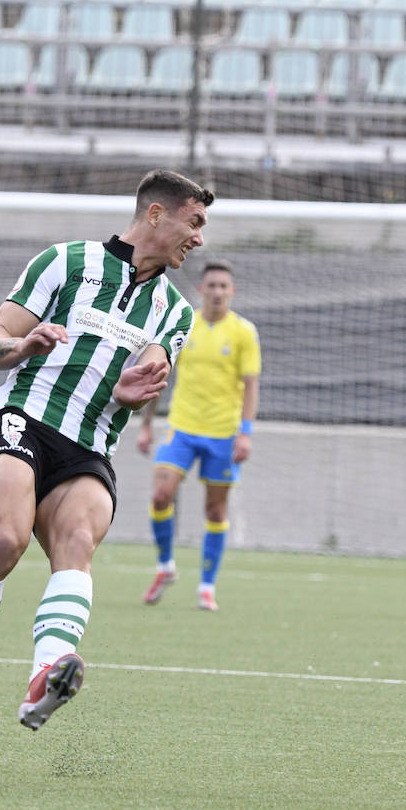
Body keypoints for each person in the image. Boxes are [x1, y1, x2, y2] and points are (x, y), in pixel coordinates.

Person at [0, 168, 212, 760]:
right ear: (155, 214)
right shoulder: (65, 262)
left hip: (91, 444)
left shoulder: (176, 313)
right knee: (4, 540)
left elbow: (150, 368)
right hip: (22, 419)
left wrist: (136, 389)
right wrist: (24, 345)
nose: (199, 238)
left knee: (77, 539)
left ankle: (46, 676)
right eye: (194, 222)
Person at [136, 260, 260, 613]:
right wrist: (146, 424)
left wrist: (245, 434)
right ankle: (165, 567)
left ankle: (206, 586)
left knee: (215, 508)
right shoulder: (184, 323)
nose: (218, 292)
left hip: (223, 433)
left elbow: (251, 386)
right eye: (212, 286)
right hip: (182, 427)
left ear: (231, 292)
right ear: (201, 289)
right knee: (161, 495)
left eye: (224, 286)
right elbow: (160, 371)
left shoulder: (243, 333)